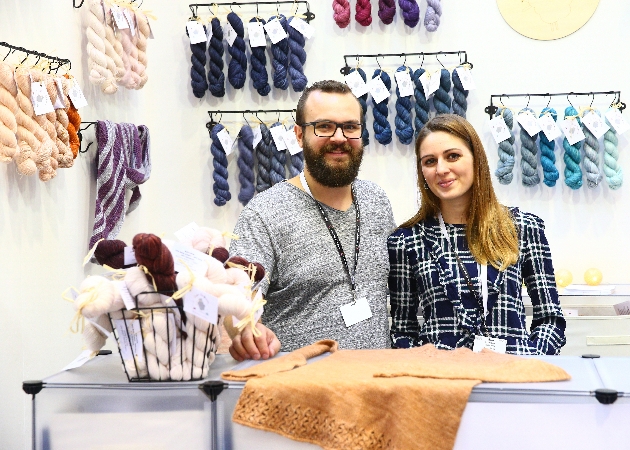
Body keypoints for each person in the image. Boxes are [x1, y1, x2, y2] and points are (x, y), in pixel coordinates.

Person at [229, 80, 396, 361]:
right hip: (303, 389)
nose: (339, 138)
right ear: (298, 134)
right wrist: (246, 330)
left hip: (377, 385)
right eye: (324, 126)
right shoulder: (265, 213)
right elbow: (234, 299)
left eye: (350, 127)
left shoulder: (376, 200)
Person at [388, 114, 566, 355]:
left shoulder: (524, 229)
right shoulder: (406, 241)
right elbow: (403, 331)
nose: (441, 169)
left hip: (511, 379)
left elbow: (550, 320)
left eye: (453, 156)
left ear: (476, 160)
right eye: (429, 161)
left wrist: (528, 359)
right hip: (441, 381)